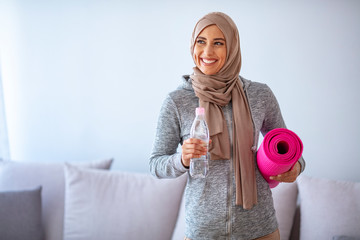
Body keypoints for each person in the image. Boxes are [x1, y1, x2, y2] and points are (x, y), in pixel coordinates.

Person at [149, 12, 305, 240]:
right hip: (203, 230)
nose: (207, 52)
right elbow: (155, 164)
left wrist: (296, 167)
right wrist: (181, 159)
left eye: (218, 43)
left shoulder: (259, 95)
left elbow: (289, 149)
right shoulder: (177, 101)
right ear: (192, 45)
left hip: (259, 228)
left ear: (232, 48)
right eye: (201, 41)